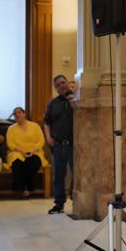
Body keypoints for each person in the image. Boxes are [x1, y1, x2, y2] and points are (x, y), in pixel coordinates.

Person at [44, 74, 74, 214]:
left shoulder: (77, 99)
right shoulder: (53, 103)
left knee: (78, 174)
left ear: (67, 83)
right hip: (58, 145)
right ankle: (59, 204)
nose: (61, 86)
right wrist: (48, 137)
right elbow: (47, 122)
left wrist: (75, 99)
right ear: (56, 89)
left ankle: (78, 202)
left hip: (75, 145)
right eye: (57, 85)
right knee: (58, 175)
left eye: (62, 83)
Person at [5, 107, 48, 197]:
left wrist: (32, 151)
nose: (17, 115)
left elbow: (41, 141)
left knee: (33, 162)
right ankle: (20, 189)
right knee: (17, 163)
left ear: (24, 114)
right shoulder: (11, 128)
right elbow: (10, 143)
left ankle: (28, 187)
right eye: (15, 114)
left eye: (19, 112)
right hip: (17, 152)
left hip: (34, 151)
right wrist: (21, 151)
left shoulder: (35, 126)